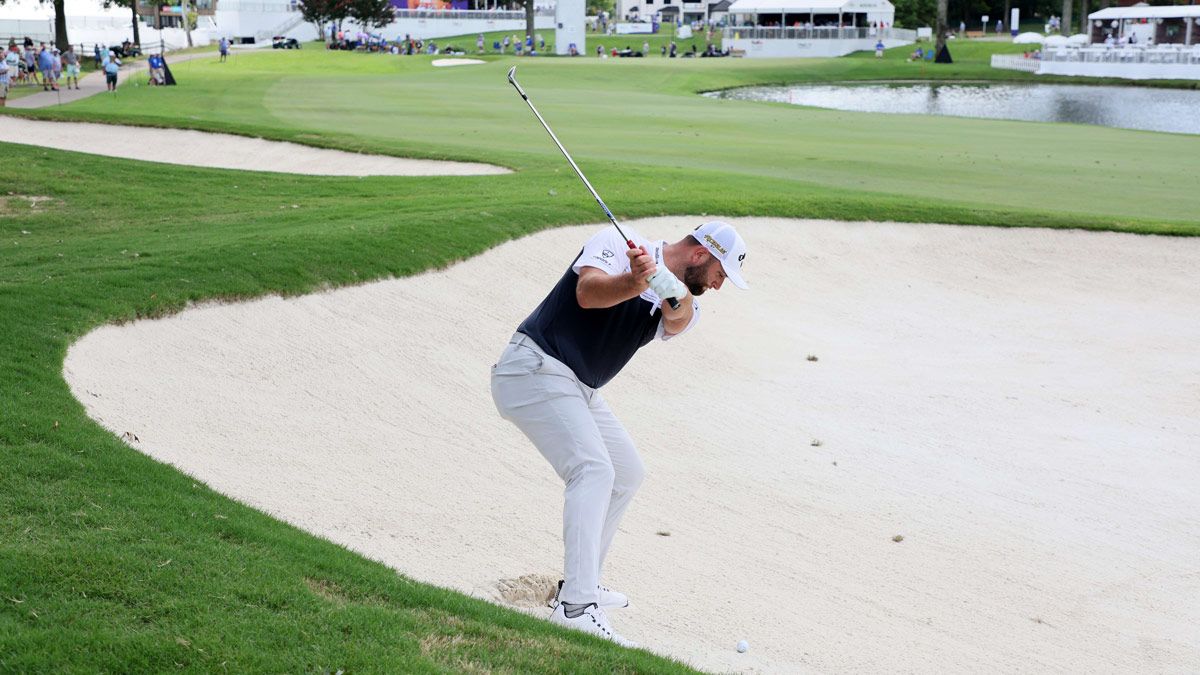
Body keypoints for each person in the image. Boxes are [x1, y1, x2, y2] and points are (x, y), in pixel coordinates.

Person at [490, 220, 748, 647]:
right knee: (593, 470)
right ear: (702, 254)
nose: (719, 286)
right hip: (534, 367)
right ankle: (575, 607)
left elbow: (680, 318)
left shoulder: (688, 298)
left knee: (627, 472)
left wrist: (664, 285)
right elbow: (587, 294)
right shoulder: (616, 242)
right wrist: (634, 279)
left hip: (578, 387)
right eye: (721, 275)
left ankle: (583, 583)